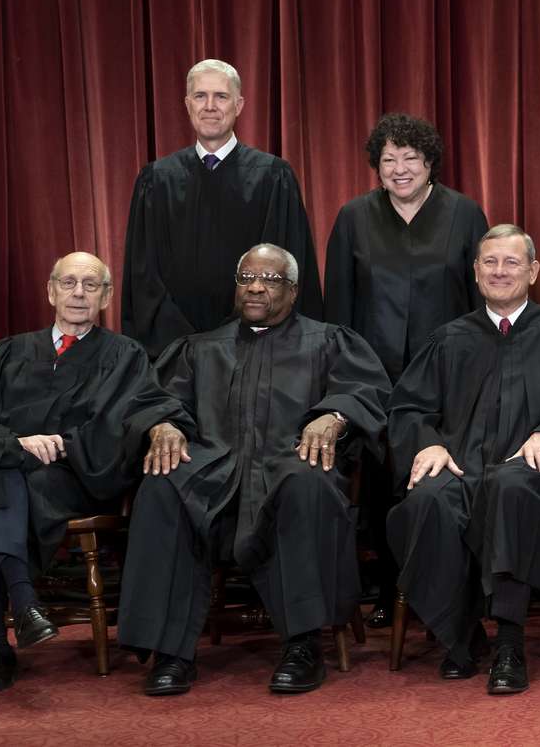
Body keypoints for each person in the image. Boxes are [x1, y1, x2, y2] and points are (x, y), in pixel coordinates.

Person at [116, 244, 390, 696]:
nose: (256, 287)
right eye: (247, 278)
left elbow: (367, 392)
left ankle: (304, 645)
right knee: (163, 483)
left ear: (294, 290)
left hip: (288, 465)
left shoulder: (328, 341)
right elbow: (154, 399)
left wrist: (335, 416)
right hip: (214, 471)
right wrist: (162, 424)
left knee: (307, 482)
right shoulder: (201, 349)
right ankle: (171, 652)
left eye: (271, 279)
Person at [0, 252, 153, 695]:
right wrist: (14, 444)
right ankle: (23, 606)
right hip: (7, 474)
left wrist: (50, 446)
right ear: (51, 290)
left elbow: (113, 433)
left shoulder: (124, 357)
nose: (78, 293)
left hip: (71, 478)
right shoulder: (9, 353)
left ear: (107, 296)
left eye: (91, 285)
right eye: (69, 282)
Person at [387, 224, 540, 694]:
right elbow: (409, 406)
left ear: (533, 270)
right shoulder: (449, 338)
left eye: (511, 262)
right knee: (428, 499)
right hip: (462, 469)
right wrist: (427, 441)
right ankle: (461, 636)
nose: (500, 271)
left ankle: (509, 642)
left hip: (536, 480)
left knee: (509, 487)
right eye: (490, 262)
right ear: (475, 272)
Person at [325, 112, 488, 627]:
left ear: (429, 162)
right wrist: (348, 374)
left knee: (448, 473)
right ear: (377, 166)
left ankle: (455, 584)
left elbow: (482, 296)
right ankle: (390, 586)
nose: (399, 169)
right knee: (380, 482)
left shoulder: (464, 214)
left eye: (410, 158)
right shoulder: (354, 217)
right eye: (388, 160)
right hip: (375, 374)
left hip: (450, 375)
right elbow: (340, 308)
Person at [121, 58, 322, 359]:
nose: (210, 106)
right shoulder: (157, 180)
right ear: (187, 104)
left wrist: (234, 333)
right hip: (172, 351)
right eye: (200, 96)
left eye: (221, 96)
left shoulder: (273, 176)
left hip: (256, 347)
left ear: (239, 105)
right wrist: (184, 342)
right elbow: (143, 275)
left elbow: (288, 269)